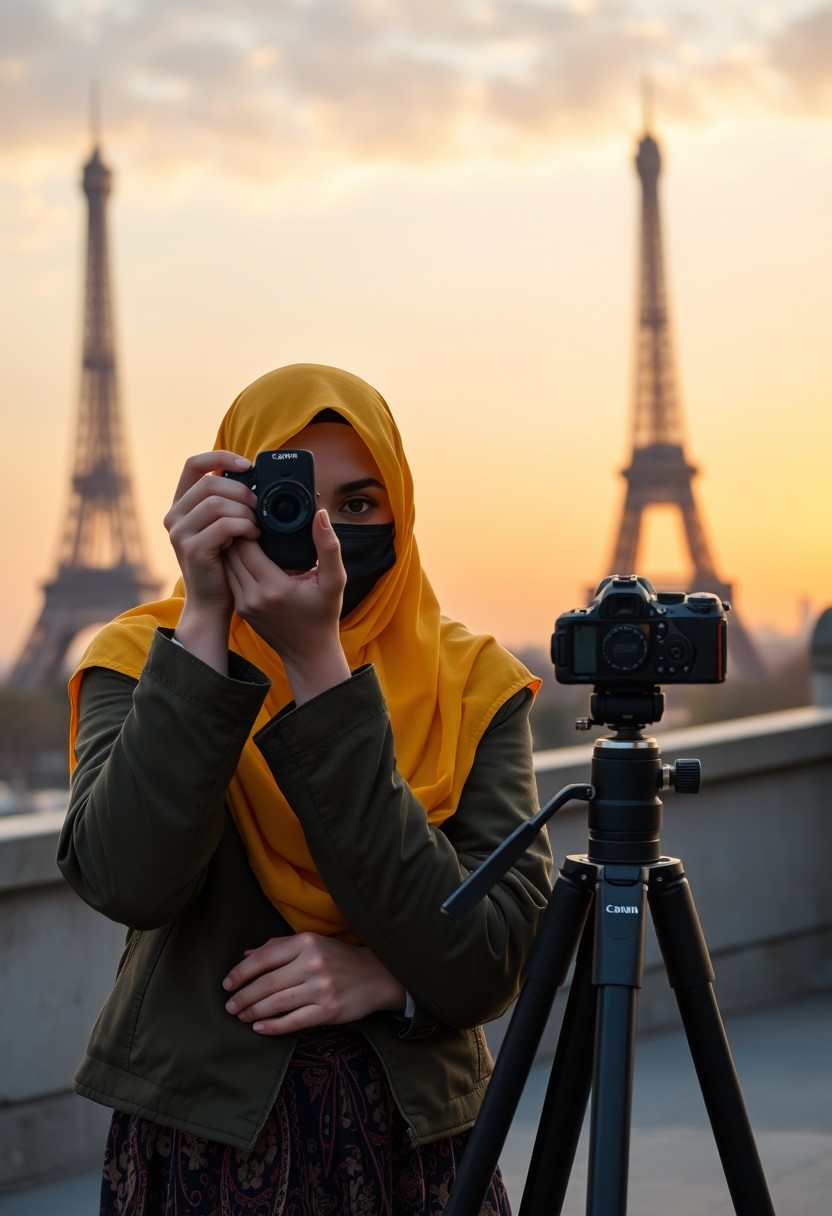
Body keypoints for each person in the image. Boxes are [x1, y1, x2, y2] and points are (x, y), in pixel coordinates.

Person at [58, 363, 552, 1215]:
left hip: (415, 1146)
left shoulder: (470, 684)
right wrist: (206, 623)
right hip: (199, 1147)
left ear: (402, 509)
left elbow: (493, 958)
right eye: (286, 493)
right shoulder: (144, 660)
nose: (320, 527)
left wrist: (387, 981)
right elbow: (128, 880)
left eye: (359, 505)